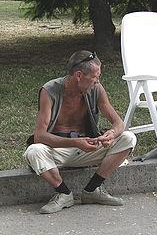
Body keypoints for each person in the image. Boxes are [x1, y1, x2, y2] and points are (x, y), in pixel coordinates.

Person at [23, 50, 137, 214]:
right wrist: (75, 142)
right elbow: (40, 136)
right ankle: (63, 193)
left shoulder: (97, 89)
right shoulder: (49, 91)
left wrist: (112, 133)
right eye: (94, 76)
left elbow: (118, 123)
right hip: (57, 152)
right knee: (33, 151)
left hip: (87, 149)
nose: (97, 81)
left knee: (128, 138)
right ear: (78, 75)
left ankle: (93, 190)